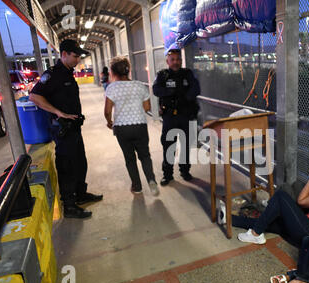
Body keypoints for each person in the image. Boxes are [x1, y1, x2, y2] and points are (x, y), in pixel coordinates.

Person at [29, 39, 103, 219]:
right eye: (75, 56)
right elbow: (34, 96)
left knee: (80, 162)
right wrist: (57, 112)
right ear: (64, 54)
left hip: (74, 128)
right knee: (67, 166)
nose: (78, 59)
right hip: (63, 130)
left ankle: (80, 194)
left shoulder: (68, 73)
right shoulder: (53, 75)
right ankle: (69, 205)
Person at [235, 155, 309, 246]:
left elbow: (301, 202)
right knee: (268, 222)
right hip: (306, 226)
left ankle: (256, 234)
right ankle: (230, 219)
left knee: (280, 196)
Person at [104, 57, 159, 196]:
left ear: (113, 72)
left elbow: (107, 111)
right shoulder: (140, 85)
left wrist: (109, 122)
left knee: (129, 158)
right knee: (145, 155)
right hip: (140, 125)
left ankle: (137, 186)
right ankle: (151, 180)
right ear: (128, 70)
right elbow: (147, 107)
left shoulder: (111, 88)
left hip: (122, 128)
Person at [152, 49, 200, 186]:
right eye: (172, 60)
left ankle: (185, 171)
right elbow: (156, 90)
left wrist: (183, 97)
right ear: (168, 61)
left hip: (186, 115)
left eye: (178, 59)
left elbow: (196, 89)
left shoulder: (188, 74)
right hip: (169, 117)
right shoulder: (162, 75)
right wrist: (172, 92)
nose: (175, 62)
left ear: (181, 60)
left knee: (185, 146)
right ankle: (167, 175)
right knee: (169, 146)